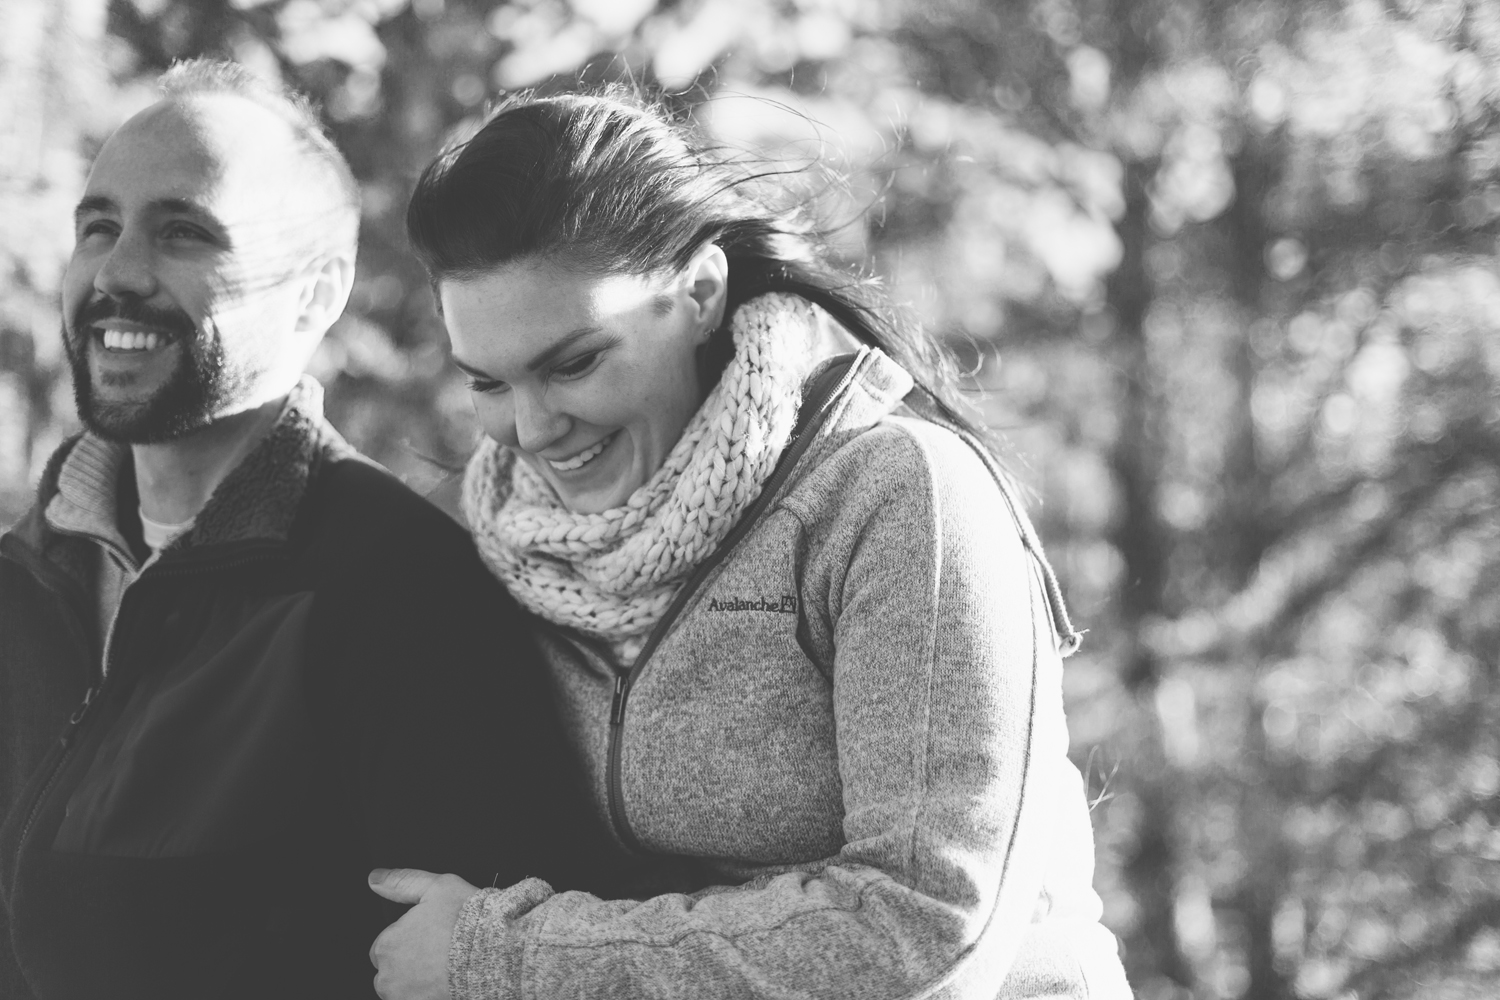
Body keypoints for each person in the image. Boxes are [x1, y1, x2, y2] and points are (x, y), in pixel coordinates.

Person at [366, 90, 1134, 1000]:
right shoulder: (498, 541)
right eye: (487, 382)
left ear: (698, 294)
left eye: (574, 364)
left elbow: (927, 931)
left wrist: (508, 958)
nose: (530, 430)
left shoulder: (894, 497)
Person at [0, 61, 618, 1000]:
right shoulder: (21, 579)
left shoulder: (405, 594)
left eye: (183, 232)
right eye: (98, 226)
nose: (118, 272)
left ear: (317, 292)